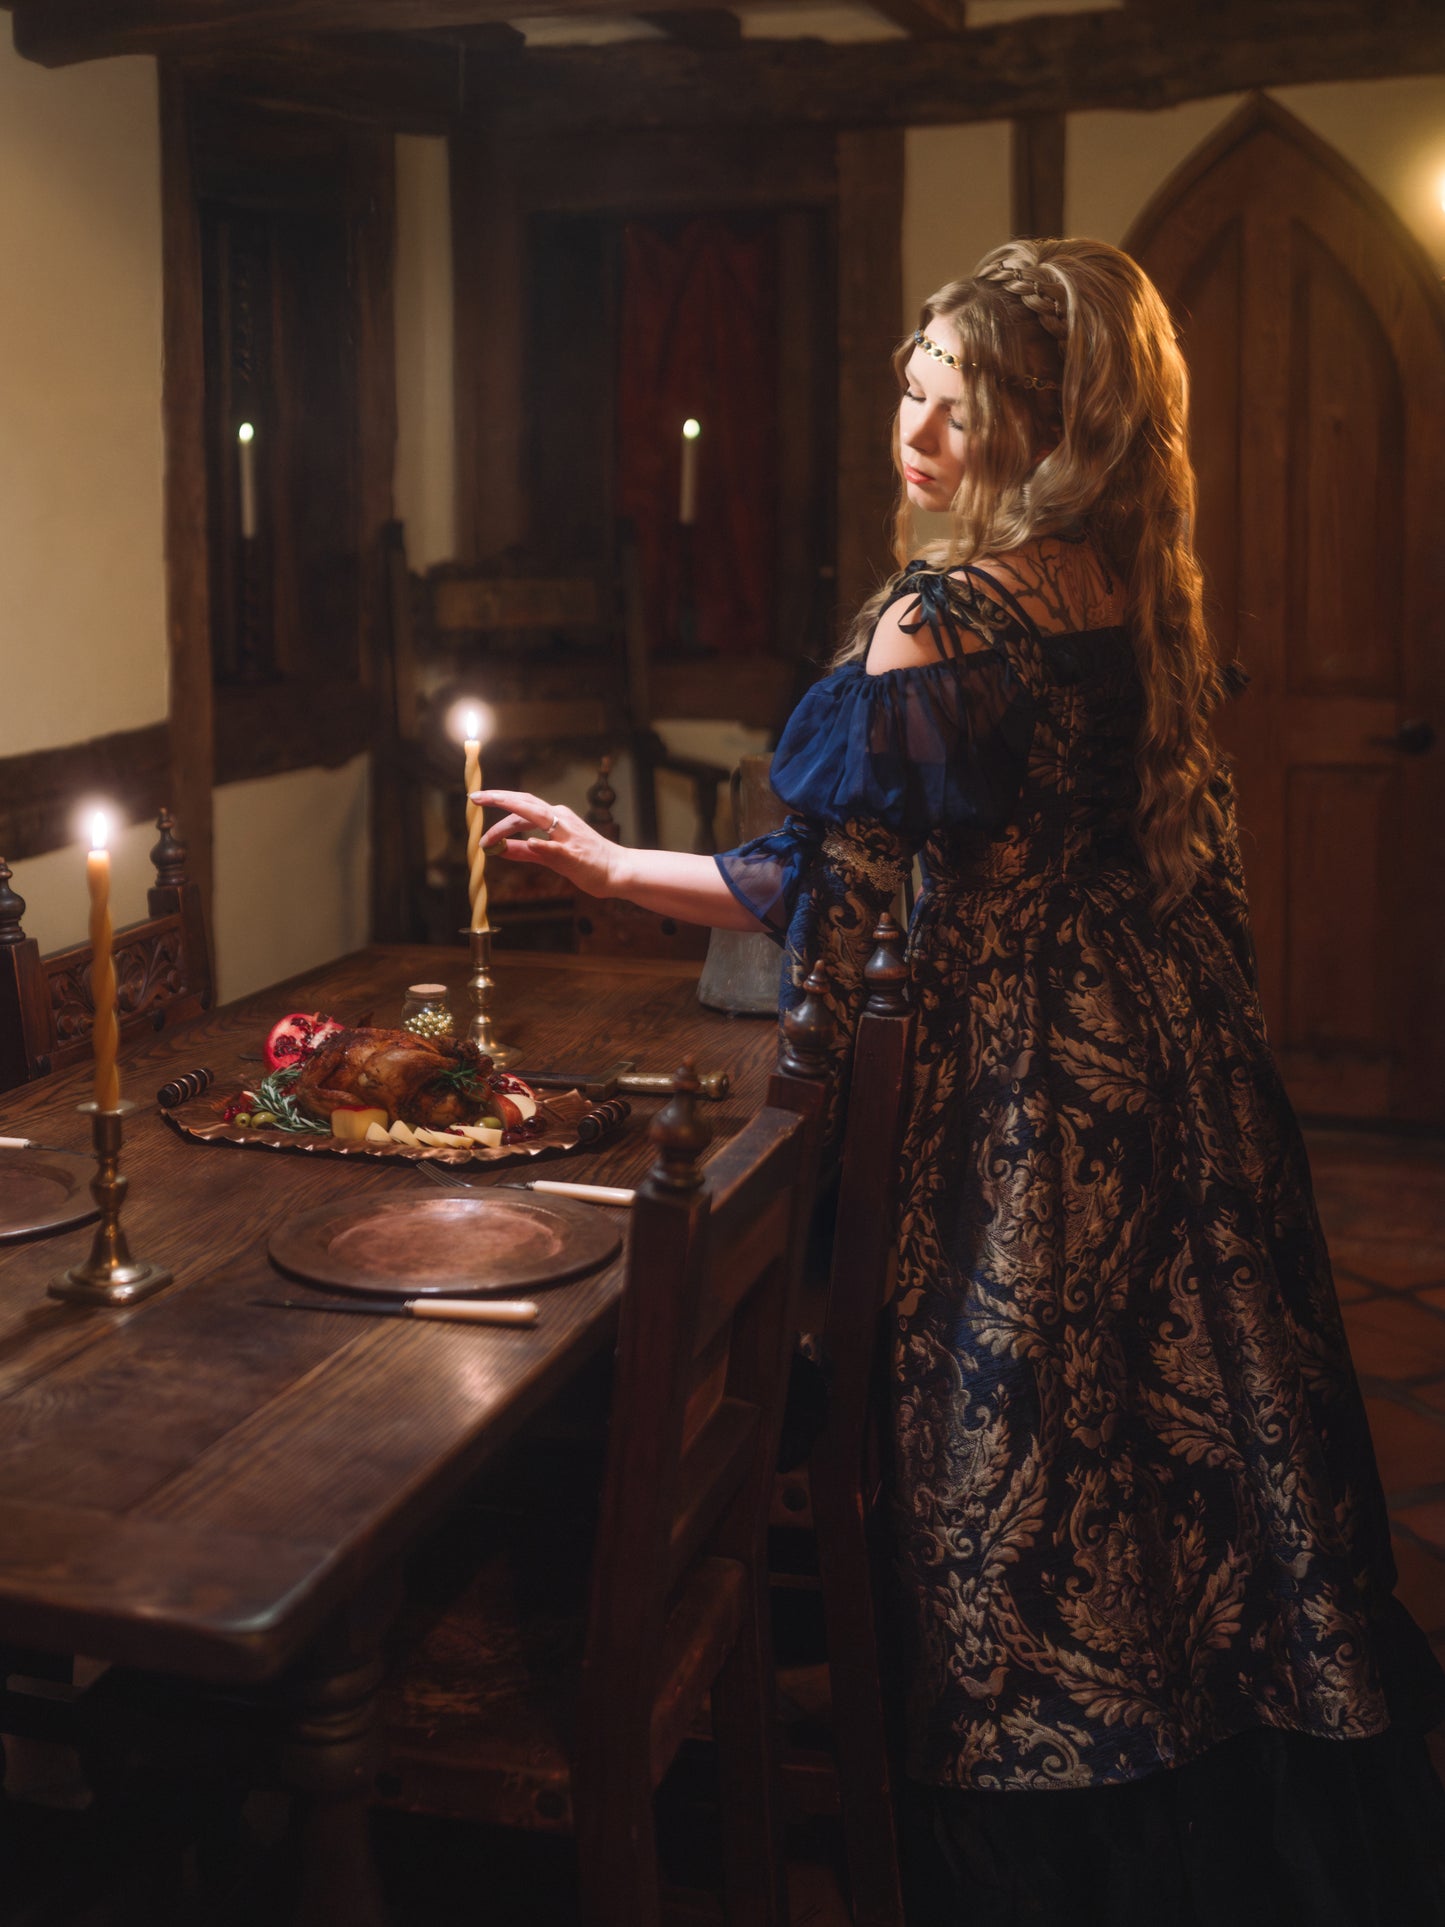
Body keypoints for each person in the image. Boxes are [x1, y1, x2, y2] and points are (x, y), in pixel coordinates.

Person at [475, 238, 1445, 1925]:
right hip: (1178, 1091)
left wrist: (785, 1106)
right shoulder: (1128, 585)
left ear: (1042, 419)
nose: (910, 424)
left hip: (1015, 1124)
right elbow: (1063, 876)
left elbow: (842, 917)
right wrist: (627, 866)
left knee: (1023, 1498)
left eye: (952, 396)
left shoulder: (943, 620)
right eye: (906, 387)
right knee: (1190, 1498)